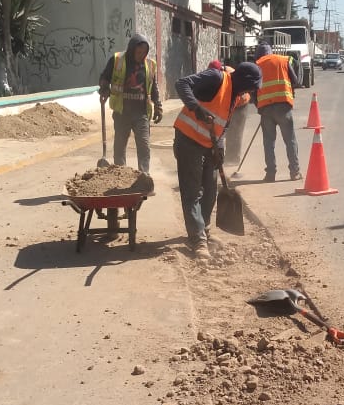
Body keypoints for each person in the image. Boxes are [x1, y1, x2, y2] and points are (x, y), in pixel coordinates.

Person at [173, 61, 262, 258]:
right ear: (243, 81)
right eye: (250, 87)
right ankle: (197, 240)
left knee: (211, 190)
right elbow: (181, 84)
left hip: (210, 144)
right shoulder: (216, 78)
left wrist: (219, 147)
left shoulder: (236, 95)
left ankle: (204, 229)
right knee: (192, 192)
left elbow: (223, 122)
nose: (250, 92)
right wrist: (195, 107)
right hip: (188, 140)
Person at [97, 34, 162, 175]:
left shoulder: (150, 64)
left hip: (141, 112)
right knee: (120, 145)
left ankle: (144, 176)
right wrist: (104, 89)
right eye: (139, 52)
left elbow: (153, 86)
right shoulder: (117, 60)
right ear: (132, 49)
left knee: (144, 145)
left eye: (144, 52)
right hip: (122, 112)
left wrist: (158, 105)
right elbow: (104, 77)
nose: (141, 55)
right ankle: (121, 174)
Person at [253, 42, 302, 182]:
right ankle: (295, 172)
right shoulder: (283, 60)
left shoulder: (257, 65)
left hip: (266, 110)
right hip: (283, 107)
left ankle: (270, 174)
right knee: (290, 140)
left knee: (268, 143)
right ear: (271, 51)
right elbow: (296, 82)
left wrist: (259, 107)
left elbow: (254, 91)